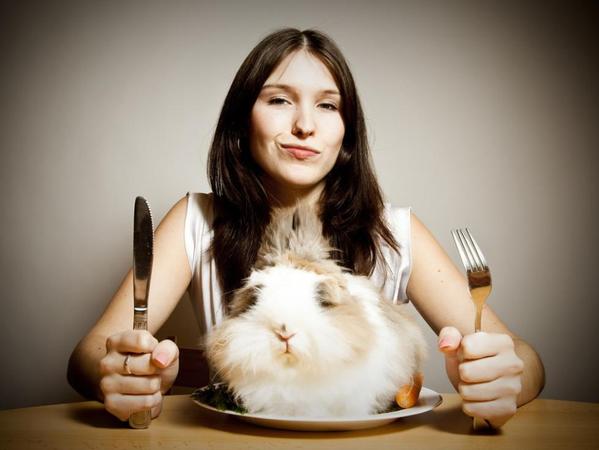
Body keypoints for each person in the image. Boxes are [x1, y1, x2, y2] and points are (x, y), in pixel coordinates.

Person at [67, 28, 545, 428]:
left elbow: (527, 359)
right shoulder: (196, 221)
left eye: (328, 106)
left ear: (347, 132)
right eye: (279, 99)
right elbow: (88, 355)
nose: (304, 125)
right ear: (242, 119)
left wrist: (501, 378)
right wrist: (122, 373)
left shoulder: (394, 232)